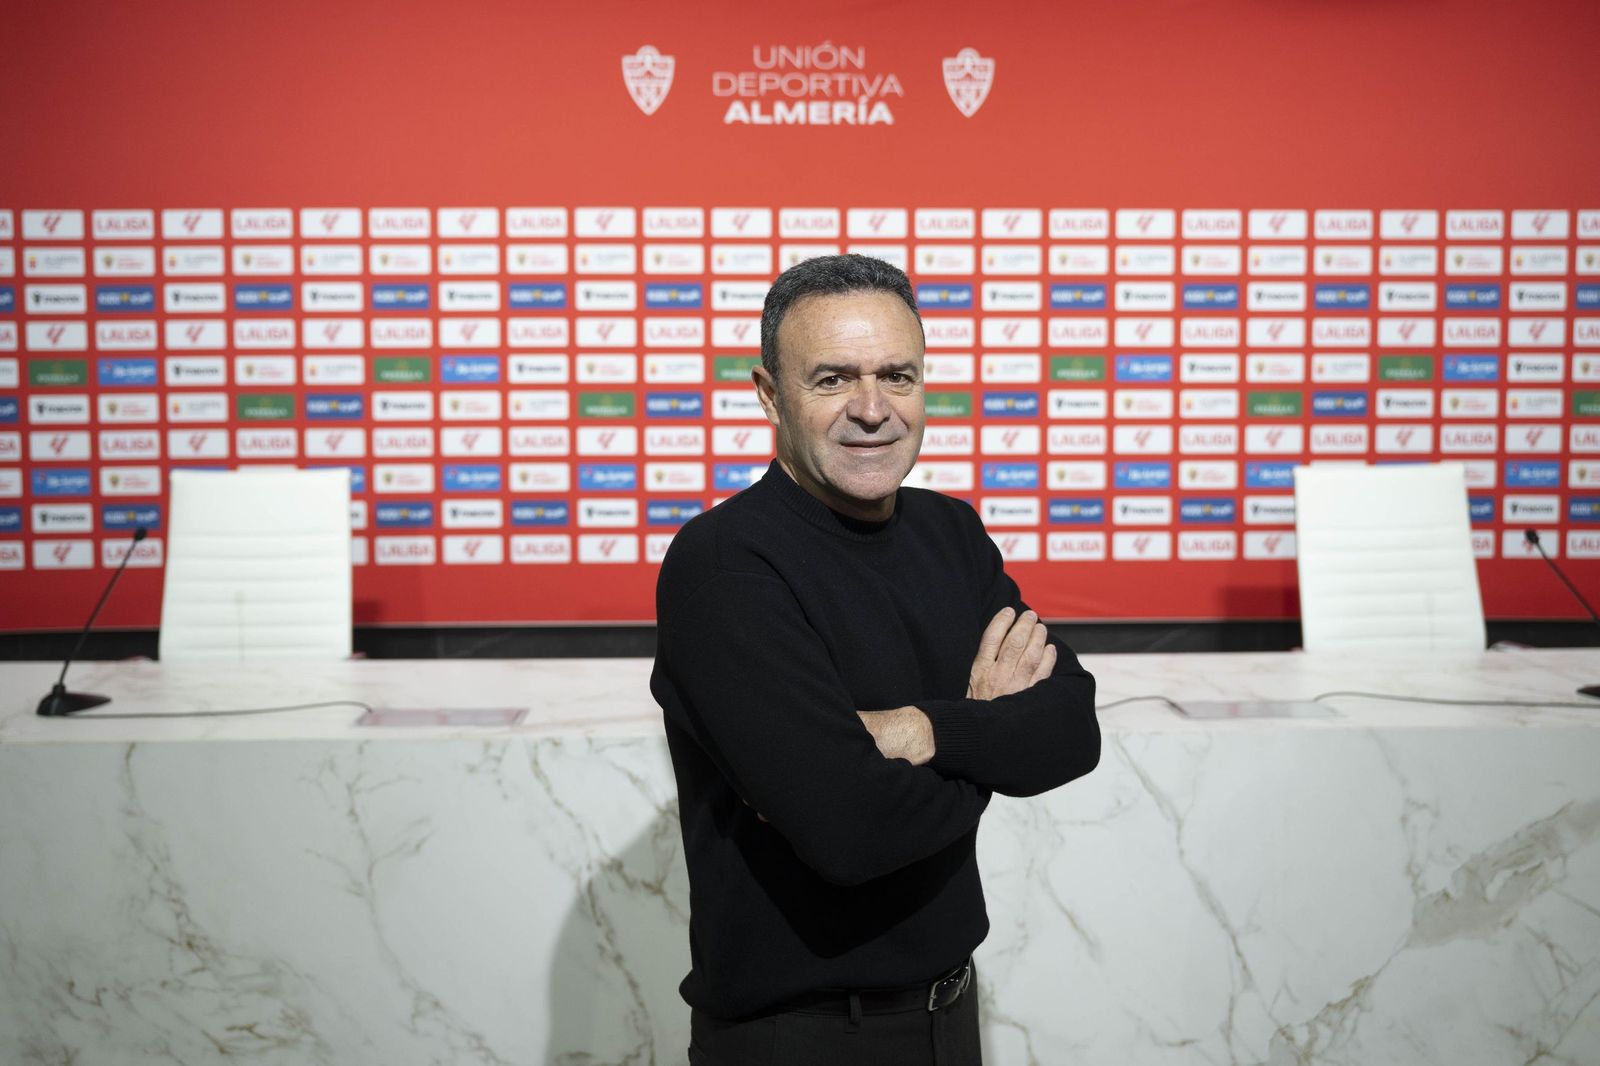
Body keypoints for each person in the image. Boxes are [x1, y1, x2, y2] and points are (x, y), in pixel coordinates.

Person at [651, 254, 1100, 1065]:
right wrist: (989, 729)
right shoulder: (722, 565)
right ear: (768, 395)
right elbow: (849, 833)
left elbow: (1071, 731)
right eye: (831, 379)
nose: (872, 409)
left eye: (898, 374)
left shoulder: (950, 534)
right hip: (802, 1038)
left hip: (951, 1013)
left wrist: (916, 729)